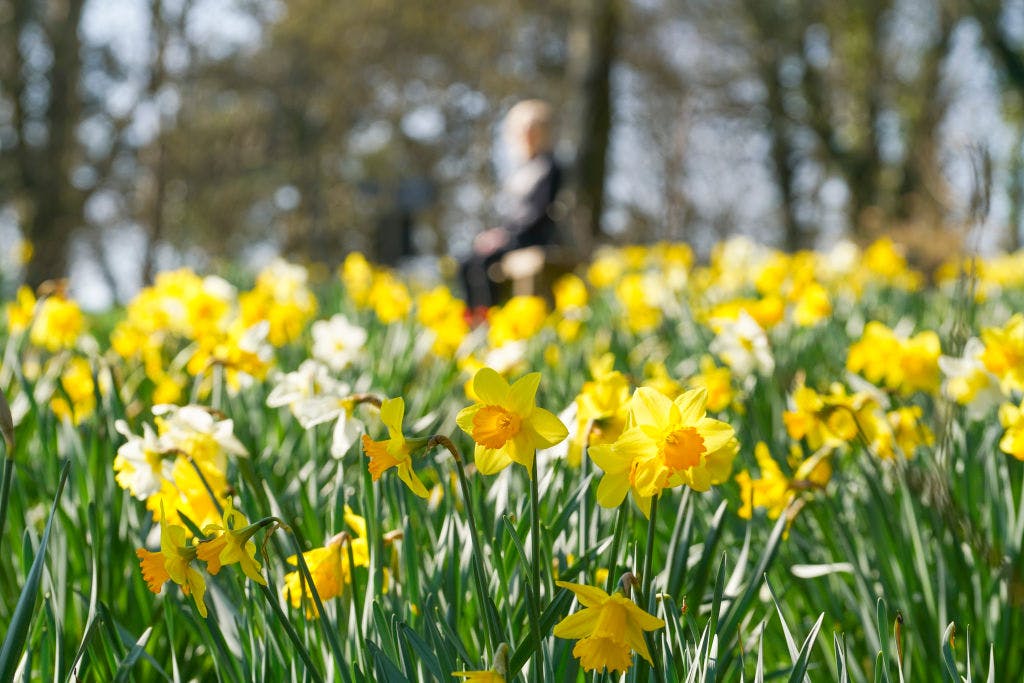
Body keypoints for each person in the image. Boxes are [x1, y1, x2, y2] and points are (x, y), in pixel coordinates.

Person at [459, 99, 562, 314]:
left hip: (533, 236)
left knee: (483, 262)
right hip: (513, 235)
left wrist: (504, 236)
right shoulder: (521, 169)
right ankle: (473, 321)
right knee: (466, 262)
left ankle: (489, 318)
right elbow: (509, 213)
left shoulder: (549, 167)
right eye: (523, 130)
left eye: (534, 130)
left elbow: (539, 213)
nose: (528, 135)